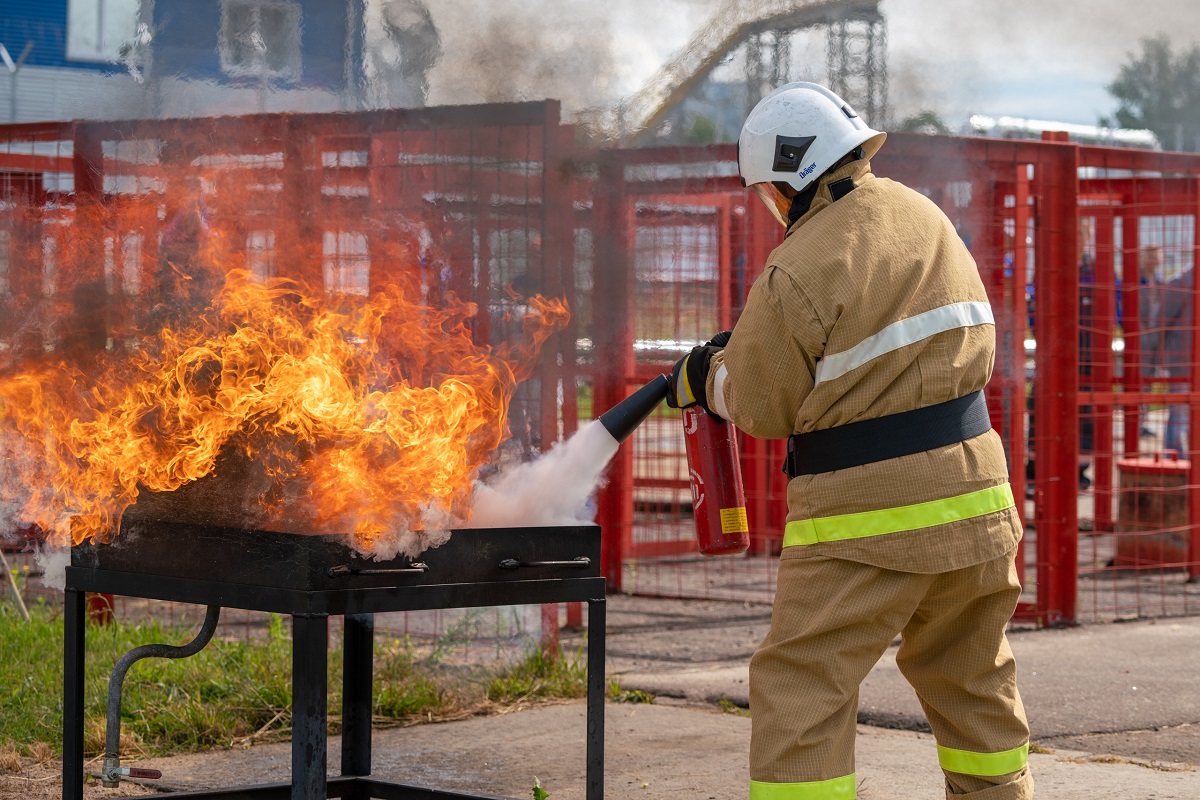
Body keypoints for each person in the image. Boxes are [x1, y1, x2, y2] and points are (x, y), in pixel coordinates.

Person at [667, 82, 1032, 799]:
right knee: (972, 675)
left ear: (784, 179)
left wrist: (710, 379)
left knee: (801, 683)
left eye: (765, 189)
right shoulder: (923, 217)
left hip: (867, 519)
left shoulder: (798, 265)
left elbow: (765, 405)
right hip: (977, 500)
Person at [1154, 259, 1194, 456]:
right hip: (1183, 360)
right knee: (1179, 412)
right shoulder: (1182, 282)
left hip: (1185, 358)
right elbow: (1161, 319)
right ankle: (1173, 458)